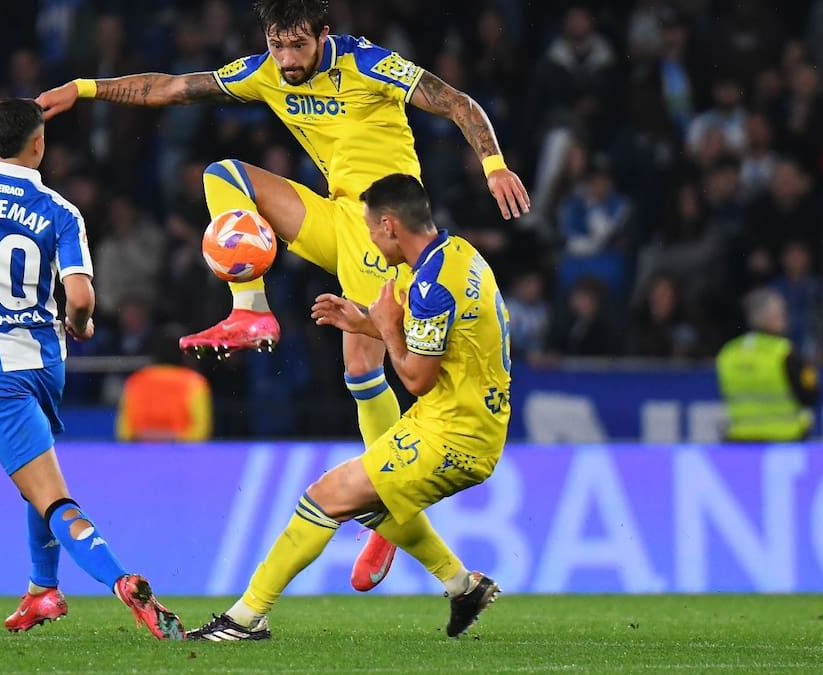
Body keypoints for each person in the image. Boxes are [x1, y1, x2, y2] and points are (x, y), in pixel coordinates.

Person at [36, 0, 529, 592]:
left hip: (384, 227)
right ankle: (251, 310)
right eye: (279, 46)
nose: (289, 60)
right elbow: (170, 87)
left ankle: (390, 511)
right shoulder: (265, 70)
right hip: (334, 218)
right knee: (223, 174)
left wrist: (494, 164)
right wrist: (84, 87)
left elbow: (456, 101)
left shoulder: (369, 64)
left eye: (299, 46)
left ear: (324, 35)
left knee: (359, 367)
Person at [0, 98, 184, 640]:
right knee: (37, 480)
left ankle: (122, 580)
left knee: (49, 495)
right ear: (39, 145)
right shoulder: (62, 211)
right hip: (45, 366)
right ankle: (42, 591)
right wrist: (83, 324)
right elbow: (82, 297)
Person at [186, 174, 510, 640]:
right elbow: (448, 344)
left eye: (371, 230)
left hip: (452, 434)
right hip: (466, 418)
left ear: (390, 226)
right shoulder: (461, 255)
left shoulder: (429, 287)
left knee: (324, 497)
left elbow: (417, 378)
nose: (371, 243)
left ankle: (245, 618)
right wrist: (366, 323)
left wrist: (387, 324)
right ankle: (461, 586)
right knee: (363, 503)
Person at [716, 288, 820, 441]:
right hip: (786, 440)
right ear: (769, 316)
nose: (786, 318)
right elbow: (811, 395)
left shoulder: (729, 353)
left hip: (741, 440)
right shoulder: (784, 353)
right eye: (781, 312)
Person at [116, 326, 213, 442]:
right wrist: (173, 438)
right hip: (181, 456)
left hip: (141, 454)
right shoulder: (194, 383)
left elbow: (124, 431)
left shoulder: (136, 381)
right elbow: (200, 431)